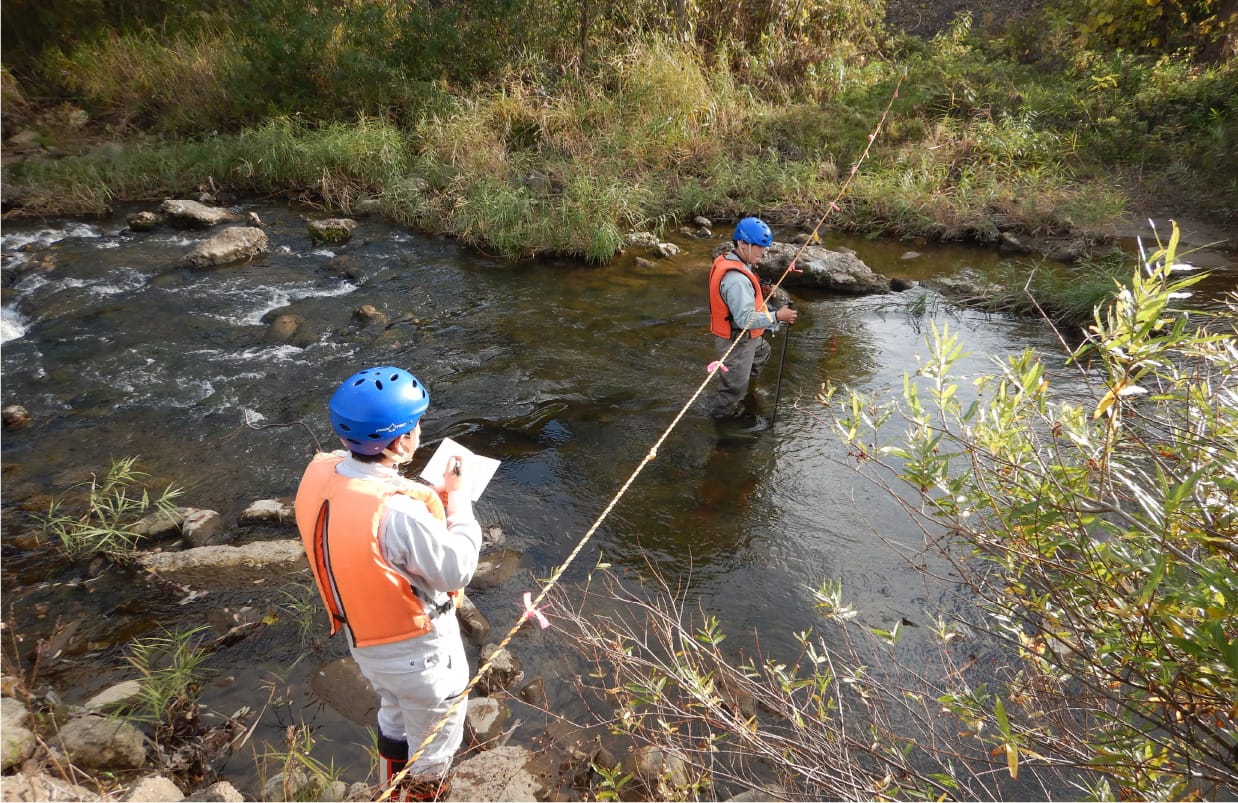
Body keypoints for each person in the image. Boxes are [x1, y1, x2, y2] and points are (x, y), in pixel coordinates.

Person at [294, 366, 482, 801]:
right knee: (434, 753)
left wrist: (420, 490)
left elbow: (366, 508)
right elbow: (457, 569)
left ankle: (389, 792)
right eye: (416, 424)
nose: (419, 430)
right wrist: (458, 499)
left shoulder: (323, 473)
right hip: (421, 653)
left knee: (395, 716)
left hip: (367, 643)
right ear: (400, 443)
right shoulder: (399, 514)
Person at [707, 217, 798, 423]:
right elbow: (745, 319)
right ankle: (723, 425)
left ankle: (747, 387)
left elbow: (742, 296)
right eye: (759, 247)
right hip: (736, 341)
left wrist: (763, 290)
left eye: (765, 247)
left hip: (746, 338)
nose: (763, 252)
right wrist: (778, 316)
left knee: (762, 351)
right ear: (742, 243)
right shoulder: (736, 279)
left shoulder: (733, 260)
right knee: (731, 392)